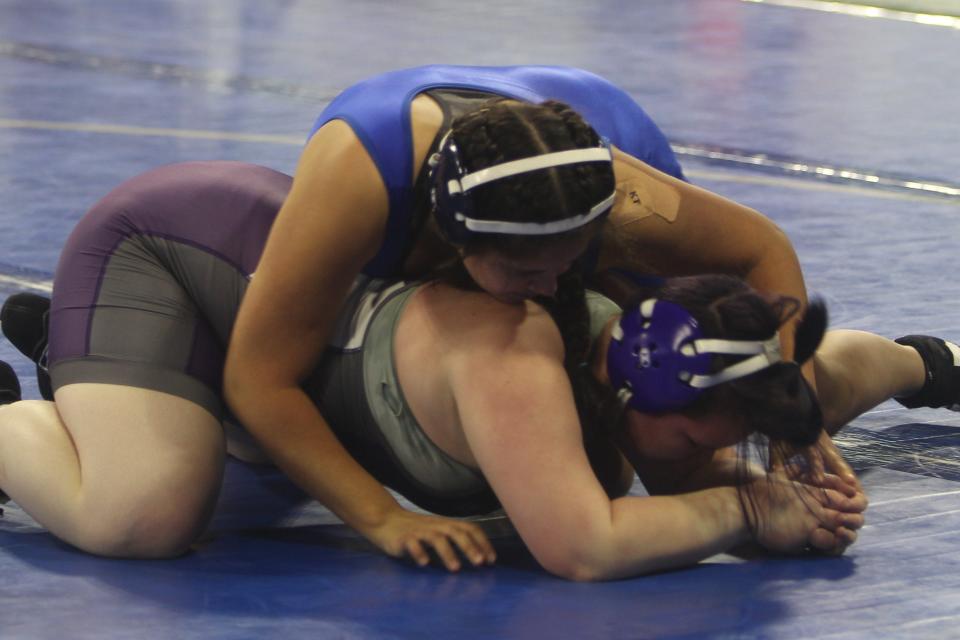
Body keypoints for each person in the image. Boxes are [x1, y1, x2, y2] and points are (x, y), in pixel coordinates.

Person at [1, 163, 957, 579]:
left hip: (271, 298)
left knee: (815, 397)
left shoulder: (653, 350)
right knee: (148, 517)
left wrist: (793, 450)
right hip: (173, 255)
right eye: (708, 446)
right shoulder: (518, 365)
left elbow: (794, 373)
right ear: (636, 399)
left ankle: (934, 360)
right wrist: (752, 510)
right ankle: (42, 409)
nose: (716, 462)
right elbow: (583, 547)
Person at [216, 65, 842, 562]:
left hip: (587, 129)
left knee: (698, 401)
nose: (551, 285)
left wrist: (797, 425)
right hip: (444, 164)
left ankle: (916, 365)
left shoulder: (617, 200)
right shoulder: (359, 185)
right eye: (526, 272)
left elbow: (763, 250)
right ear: (457, 244)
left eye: (569, 264)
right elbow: (258, 377)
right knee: (608, 463)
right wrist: (379, 515)